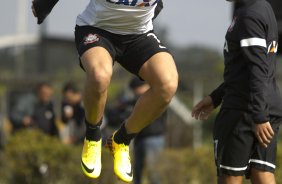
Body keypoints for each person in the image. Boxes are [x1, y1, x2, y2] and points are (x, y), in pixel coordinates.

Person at [32, 0, 178, 182]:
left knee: (168, 85)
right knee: (100, 76)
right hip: (98, 29)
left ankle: (121, 140)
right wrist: (43, 5)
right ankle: (93, 137)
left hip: (139, 34)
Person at [191, 0, 282, 184]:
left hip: (244, 111)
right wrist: (216, 97)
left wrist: (259, 116)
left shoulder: (250, 15)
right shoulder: (263, 7)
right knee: (262, 173)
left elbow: (257, 69)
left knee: (230, 176)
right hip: (265, 105)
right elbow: (247, 70)